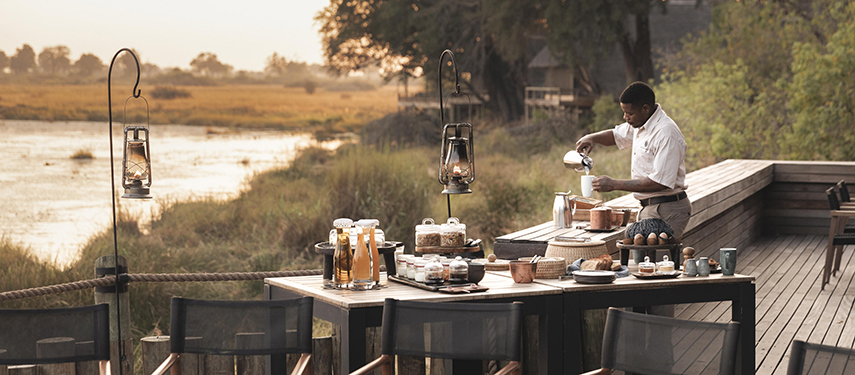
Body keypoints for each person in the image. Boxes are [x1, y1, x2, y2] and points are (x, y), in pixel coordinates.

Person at [576, 81, 691, 239]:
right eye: (624, 113)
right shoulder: (640, 124)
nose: (625, 117)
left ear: (645, 108)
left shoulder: (666, 133)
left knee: (658, 262)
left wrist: (614, 184)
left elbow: (660, 182)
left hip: (667, 209)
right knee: (642, 262)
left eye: (629, 113)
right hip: (648, 208)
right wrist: (591, 138)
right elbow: (616, 135)